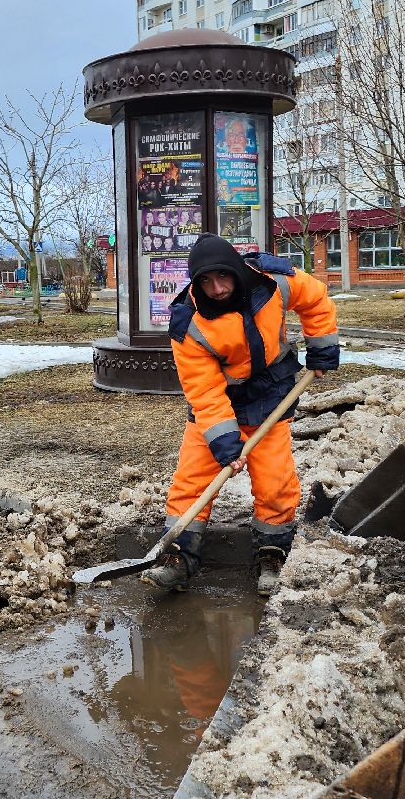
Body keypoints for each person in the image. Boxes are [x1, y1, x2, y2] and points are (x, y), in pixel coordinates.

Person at [142, 233, 339, 596]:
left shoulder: (273, 281)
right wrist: (226, 444)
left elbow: (315, 298)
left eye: (223, 277)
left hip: (271, 394)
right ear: (195, 282)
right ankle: (178, 558)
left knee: (275, 482)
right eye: (205, 281)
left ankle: (271, 554)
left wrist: (322, 348)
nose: (216, 289)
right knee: (192, 480)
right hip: (221, 402)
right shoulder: (189, 323)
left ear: (236, 269)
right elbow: (203, 391)